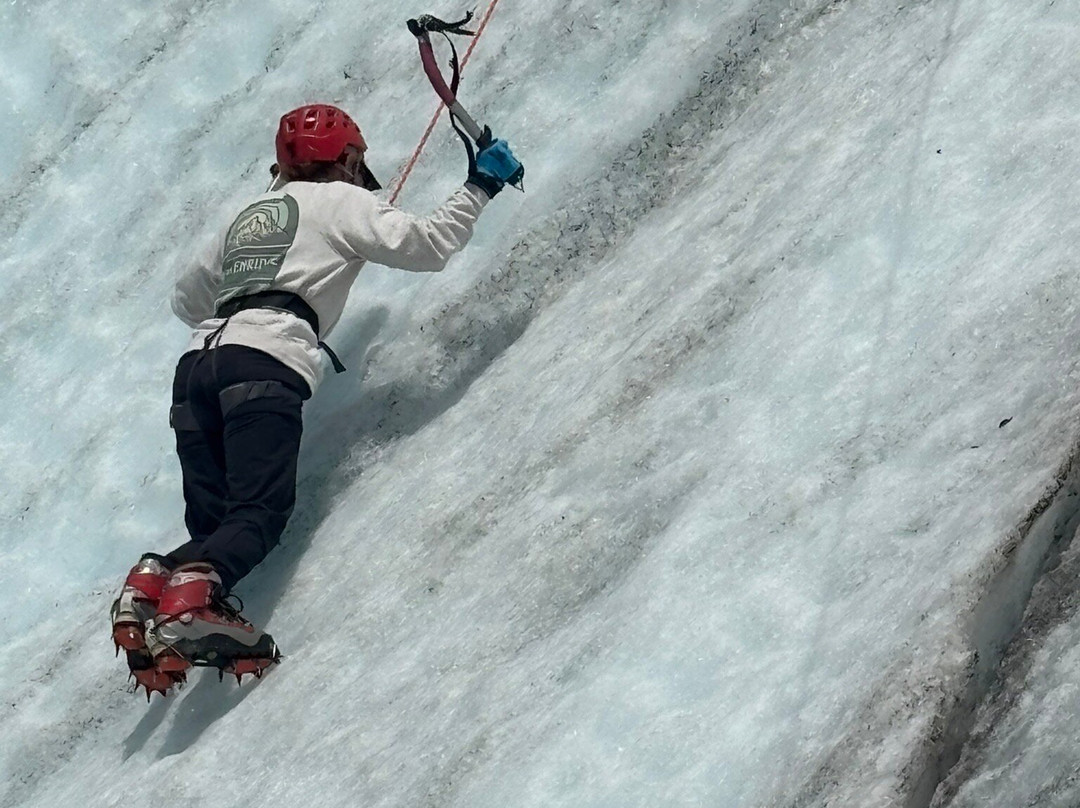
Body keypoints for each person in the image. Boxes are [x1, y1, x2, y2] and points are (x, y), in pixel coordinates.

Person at [109, 103, 522, 697]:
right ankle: (189, 606)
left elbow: (186, 299)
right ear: (348, 157)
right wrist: (482, 184)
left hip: (198, 367)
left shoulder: (246, 217)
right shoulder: (341, 201)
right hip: (264, 362)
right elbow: (427, 245)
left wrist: (257, 291)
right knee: (257, 514)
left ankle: (149, 587)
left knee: (216, 524)